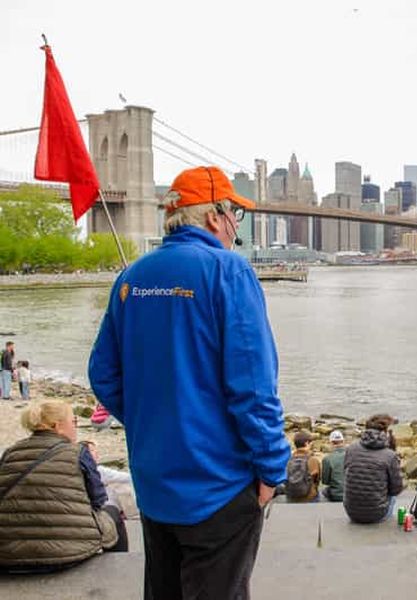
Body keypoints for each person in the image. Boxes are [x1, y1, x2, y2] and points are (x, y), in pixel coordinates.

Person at [88, 165, 290, 600]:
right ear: (215, 215)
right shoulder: (228, 271)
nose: (238, 223)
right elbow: (254, 389)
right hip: (219, 487)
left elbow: (103, 375)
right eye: (236, 212)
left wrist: (154, 418)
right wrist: (272, 469)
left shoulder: (131, 278)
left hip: (155, 485)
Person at [0, 400, 127, 573]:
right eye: (73, 421)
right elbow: (98, 500)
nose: (75, 426)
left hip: (8, 555)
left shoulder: (10, 452)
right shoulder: (78, 453)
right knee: (112, 509)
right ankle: (116, 571)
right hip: (66, 554)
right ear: (58, 426)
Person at [343, 415, 403, 523]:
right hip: (377, 514)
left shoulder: (351, 449)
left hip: (351, 511)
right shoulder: (389, 455)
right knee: (392, 497)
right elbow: (396, 489)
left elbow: (346, 474)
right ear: (385, 432)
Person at [285, 431, 321, 502]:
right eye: (310, 443)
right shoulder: (312, 460)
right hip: (308, 497)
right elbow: (317, 480)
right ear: (306, 443)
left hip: (291, 495)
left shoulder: (288, 460)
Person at [321, 430, 346, 502]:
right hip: (351, 493)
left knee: (324, 491)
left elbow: (325, 481)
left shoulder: (327, 459)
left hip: (336, 495)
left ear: (331, 443)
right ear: (343, 442)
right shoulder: (352, 456)